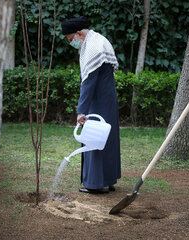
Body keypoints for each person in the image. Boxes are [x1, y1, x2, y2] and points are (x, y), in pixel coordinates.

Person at [61, 16, 121, 193]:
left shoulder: (92, 47)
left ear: (79, 33)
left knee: (93, 138)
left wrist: (81, 111)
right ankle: (108, 180)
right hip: (108, 98)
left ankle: (95, 184)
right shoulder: (100, 40)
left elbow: (89, 82)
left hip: (97, 100)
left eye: (71, 39)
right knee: (107, 138)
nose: (72, 43)